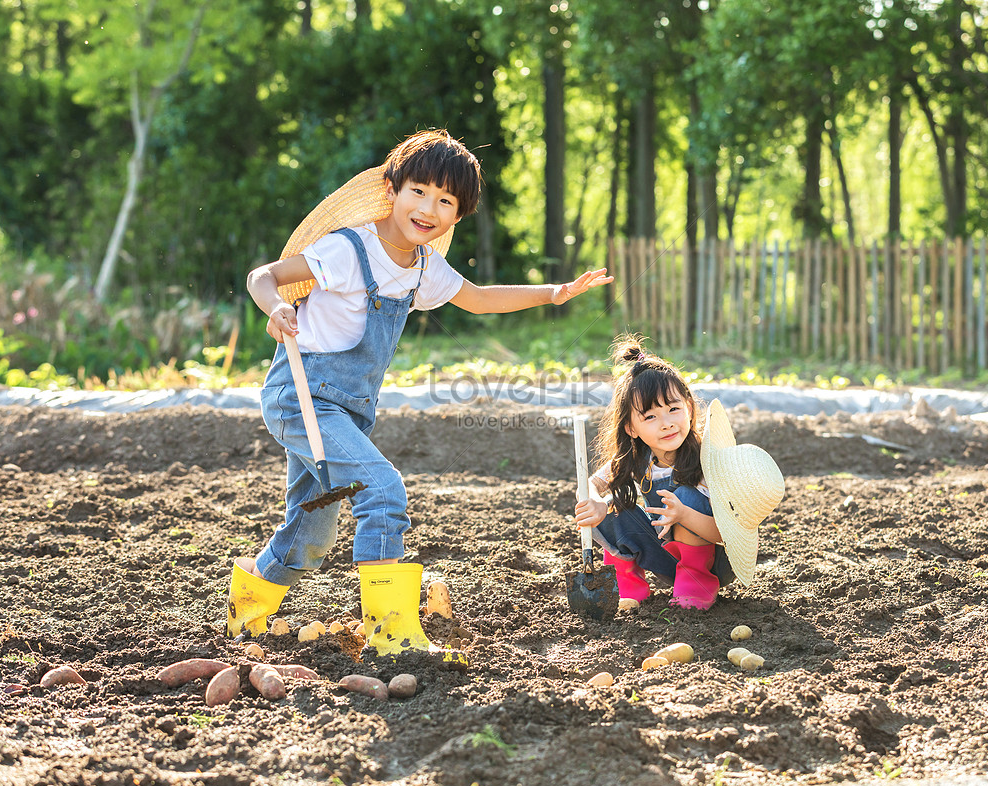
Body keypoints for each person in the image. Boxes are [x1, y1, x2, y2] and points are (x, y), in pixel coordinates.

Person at [233, 129, 612, 657]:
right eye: (419, 191)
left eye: (446, 200)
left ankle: (247, 605)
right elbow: (263, 276)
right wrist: (275, 306)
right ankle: (391, 631)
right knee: (382, 490)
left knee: (313, 526)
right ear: (392, 190)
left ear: (457, 215)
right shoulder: (347, 250)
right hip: (298, 397)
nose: (429, 207)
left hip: (348, 410)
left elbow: (479, 299)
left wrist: (556, 292)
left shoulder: (423, 270)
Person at [574, 335, 785, 610]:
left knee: (687, 496)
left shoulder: (706, 461)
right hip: (666, 558)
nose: (666, 424)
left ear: (688, 408)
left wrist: (685, 514)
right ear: (631, 428)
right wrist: (595, 503)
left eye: (673, 409)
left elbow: (725, 534)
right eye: (650, 416)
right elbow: (591, 484)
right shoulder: (638, 458)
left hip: (713, 562)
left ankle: (696, 585)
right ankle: (628, 588)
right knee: (614, 507)